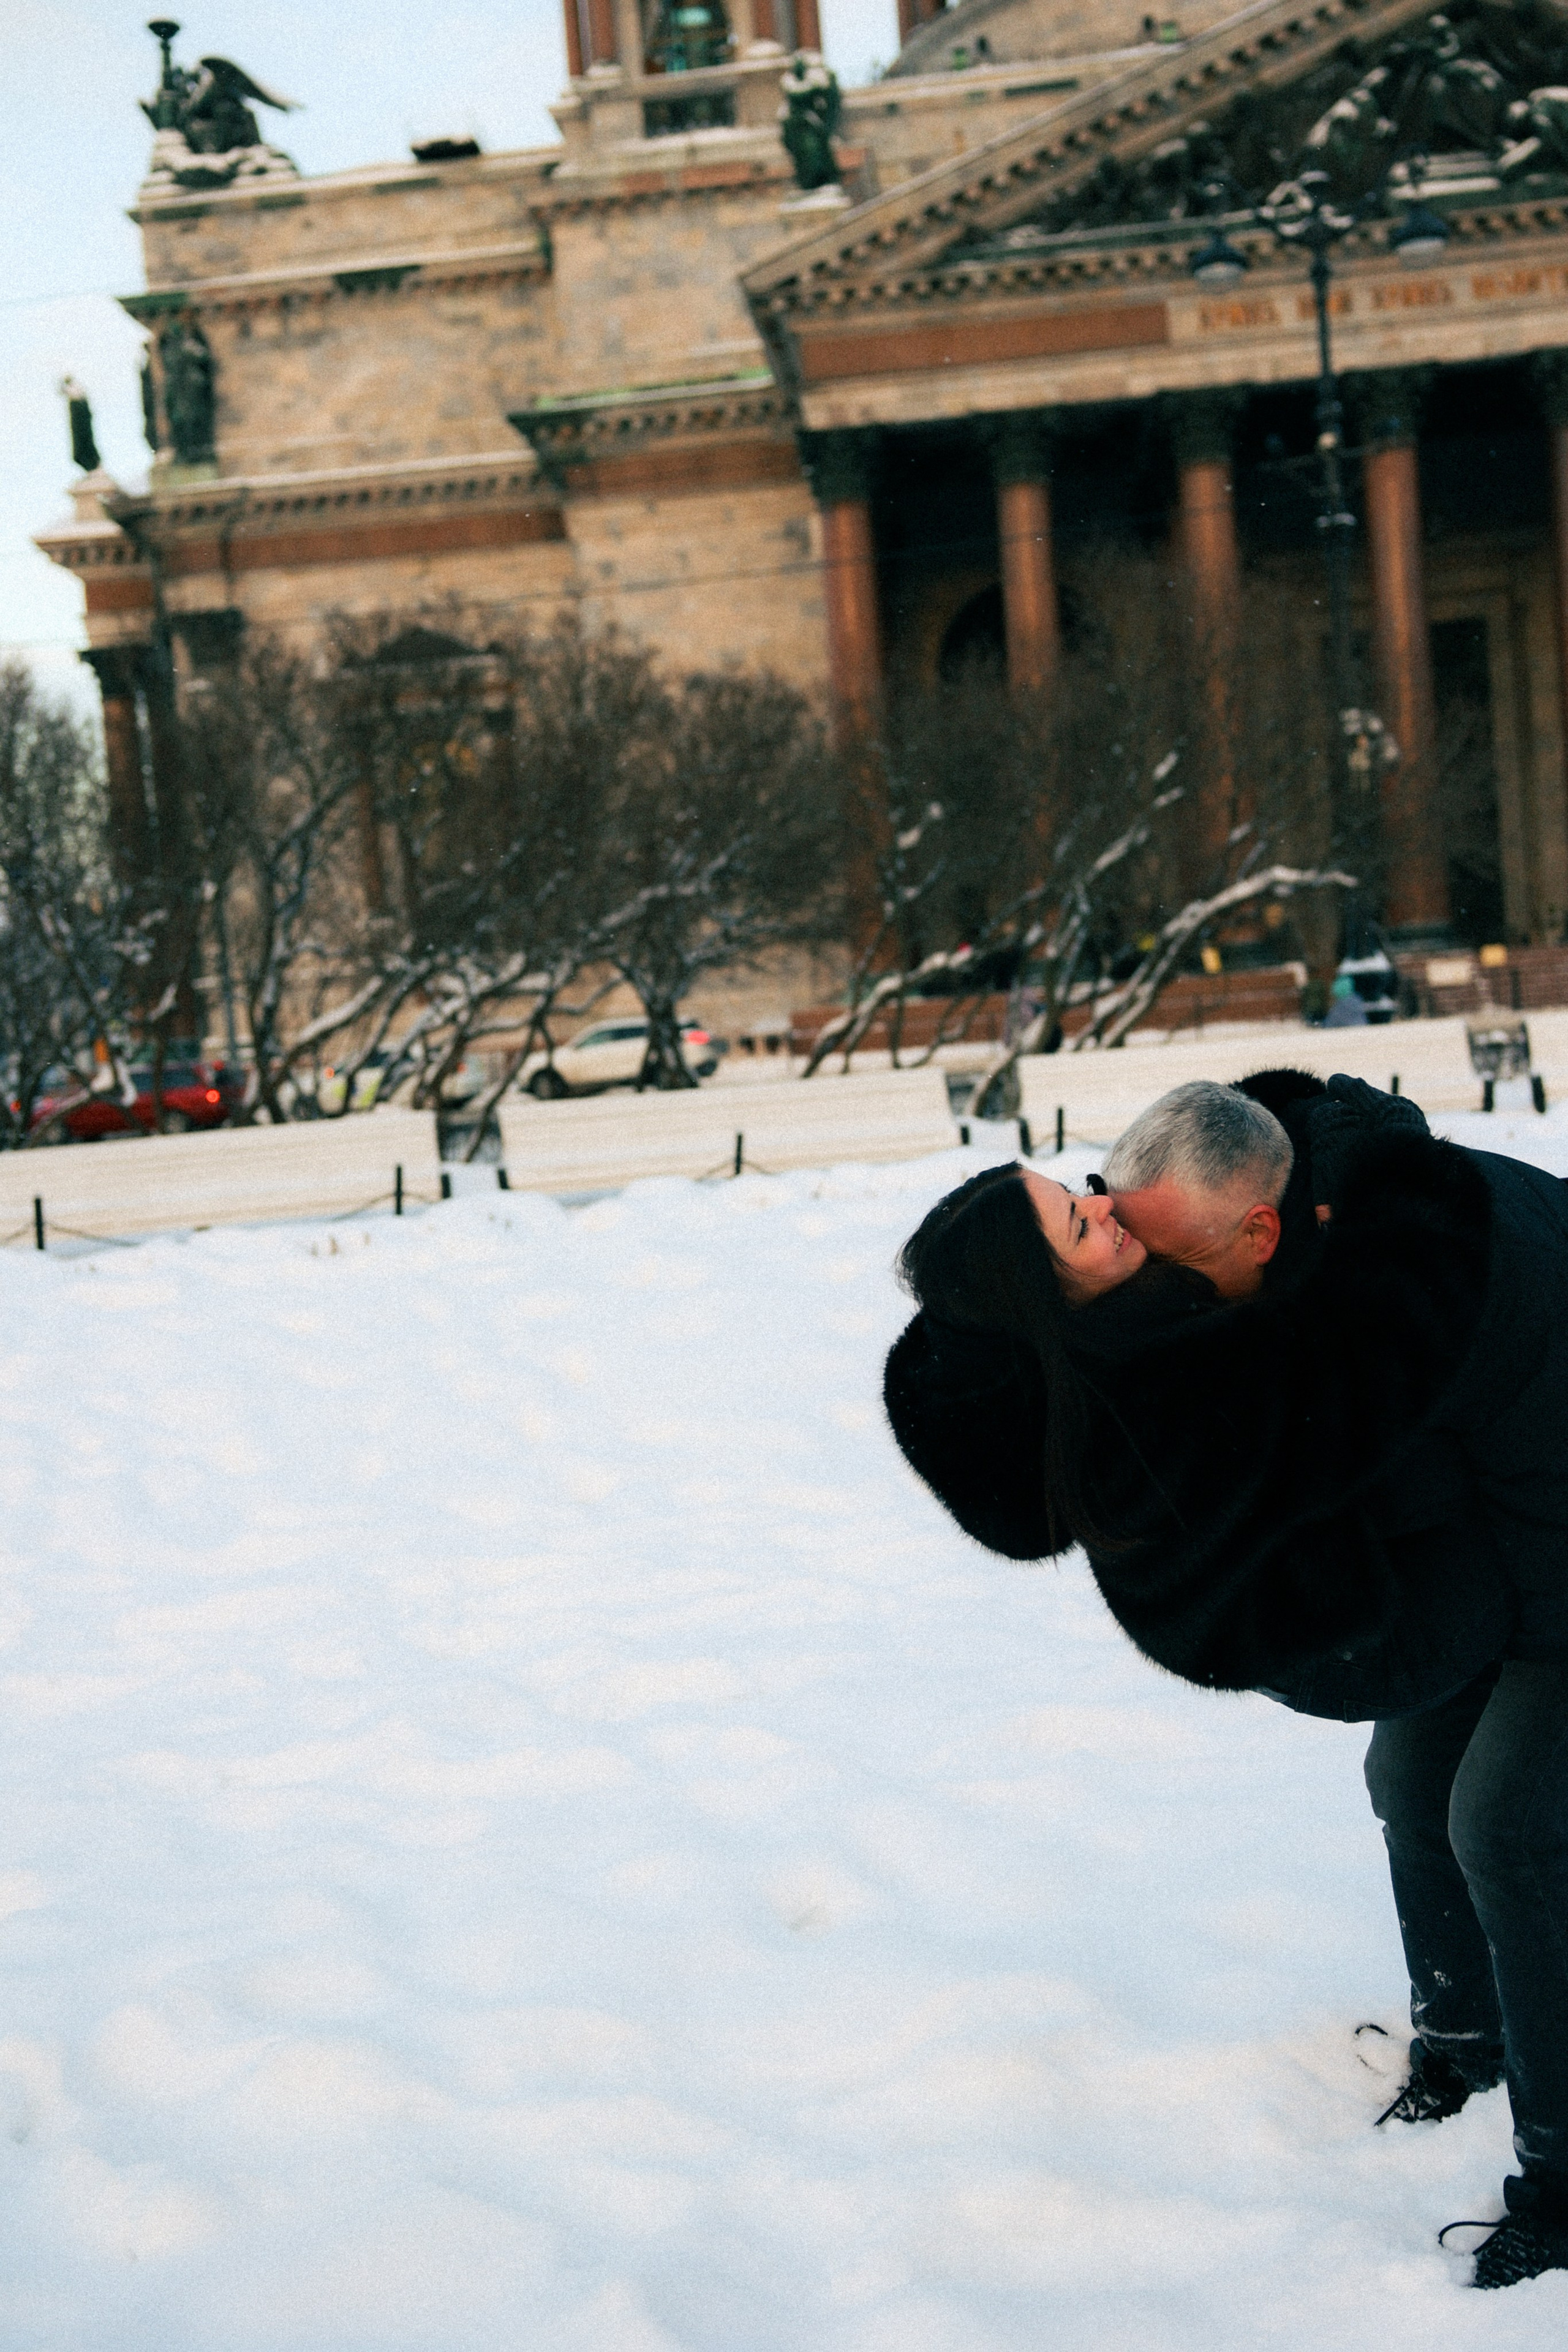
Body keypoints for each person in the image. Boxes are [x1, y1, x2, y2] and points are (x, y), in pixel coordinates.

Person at [884, 1071, 1568, 2290]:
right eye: (1100, 1213)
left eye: (1152, 1246)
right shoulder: (1260, 1246)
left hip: (1554, 1525)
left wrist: (1480, 1627)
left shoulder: (1421, 1286)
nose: (1138, 1258)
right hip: (1501, 1527)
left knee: (1504, 1821)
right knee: (1408, 1778)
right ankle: (1467, 2043)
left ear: (1258, 1231)